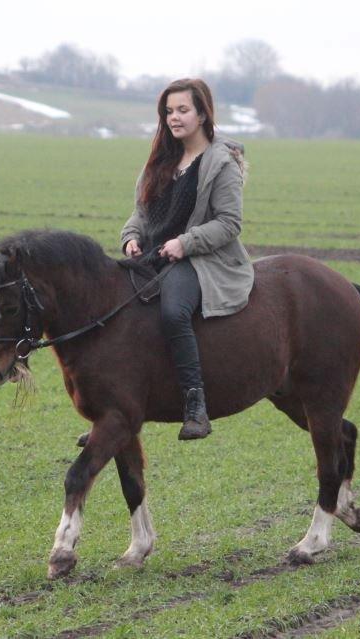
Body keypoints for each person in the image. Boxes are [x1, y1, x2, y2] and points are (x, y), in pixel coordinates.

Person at [121, 78, 254, 440]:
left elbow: (229, 224)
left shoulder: (220, 162)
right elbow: (141, 213)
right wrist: (131, 237)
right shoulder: (161, 160)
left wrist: (185, 242)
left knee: (172, 312)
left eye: (182, 110)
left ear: (202, 113)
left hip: (201, 260)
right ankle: (119, 406)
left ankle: (196, 405)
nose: (174, 118)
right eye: (168, 111)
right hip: (152, 256)